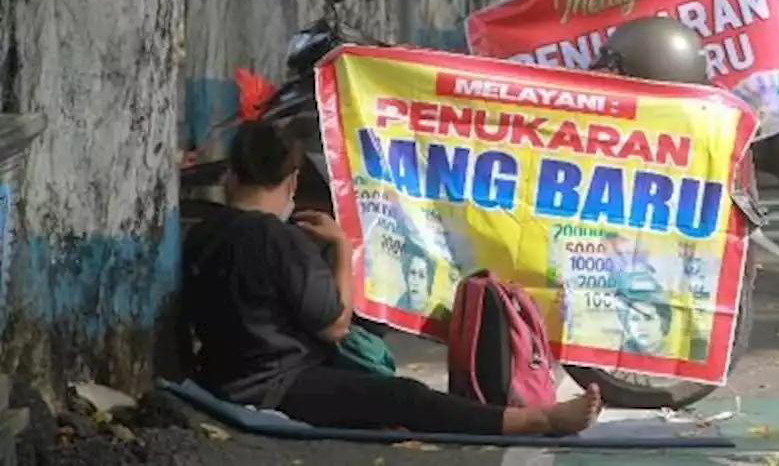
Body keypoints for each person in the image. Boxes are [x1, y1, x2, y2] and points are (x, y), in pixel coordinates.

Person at [181, 120, 601, 435]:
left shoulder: (201, 234)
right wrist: (343, 249)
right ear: (292, 181)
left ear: (231, 176)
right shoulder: (279, 239)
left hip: (225, 375)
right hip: (277, 386)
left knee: (379, 379)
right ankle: (535, 419)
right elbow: (334, 324)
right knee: (403, 397)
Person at [396, 241, 435, 313]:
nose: (415, 282)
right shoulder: (400, 305)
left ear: (429, 280)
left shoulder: (436, 312)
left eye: (421, 276)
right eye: (412, 273)